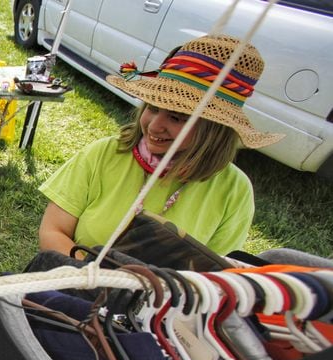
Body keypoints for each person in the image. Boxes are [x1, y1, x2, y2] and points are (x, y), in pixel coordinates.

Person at [38, 34, 284, 258]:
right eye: (153, 108)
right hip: (75, 281)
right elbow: (53, 231)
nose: (155, 126)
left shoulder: (234, 191)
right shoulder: (104, 153)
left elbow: (213, 275)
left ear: (214, 131)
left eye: (177, 118)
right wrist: (96, 277)